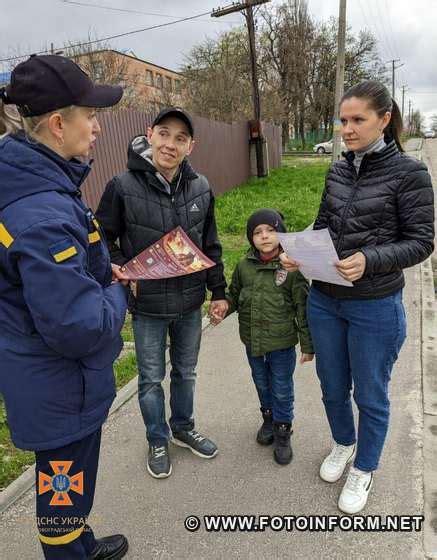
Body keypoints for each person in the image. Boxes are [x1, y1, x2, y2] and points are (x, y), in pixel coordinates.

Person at [280, 80, 435, 514]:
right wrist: (300, 251)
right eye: (342, 120)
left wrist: (370, 258)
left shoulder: (410, 173)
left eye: (357, 120)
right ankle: (343, 445)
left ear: (384, 120)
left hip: (374, 305)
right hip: (325, 299)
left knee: (370, 394)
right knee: (332, 388)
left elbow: (422, 242)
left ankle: (365, 468)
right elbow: (323, 223)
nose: (346, 129)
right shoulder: (339, 168)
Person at [0, 54, 130, 559]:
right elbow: (79, 326)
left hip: (51, 379)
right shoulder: (40, 212)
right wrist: (121, 290)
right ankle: (73, 551)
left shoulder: (35, 178)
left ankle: (83, 544)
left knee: (68, 495)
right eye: (90, 115)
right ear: (58, 124)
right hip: (59, 388)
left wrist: (98, 278)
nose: (97, 127)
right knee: (62, 499)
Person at [96, 107, 228, 479]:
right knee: (151, 379)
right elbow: (103, 238)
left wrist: (219, 291)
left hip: (190, 301)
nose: (171, 144)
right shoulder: (121, 186)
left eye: (180, 138)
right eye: (165, 134)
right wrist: (123, 266)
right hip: (149, 305)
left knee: (186, 372)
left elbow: (210, 245)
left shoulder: (201, 187)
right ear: (150, 134)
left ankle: (183, 428)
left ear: (191, 146)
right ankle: (158, 438)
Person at [221, 209, 314, 465]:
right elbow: (234, 295)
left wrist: (308, 345)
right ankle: (269, 419)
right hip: (253, 342)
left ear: (281, 234)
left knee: (281, 388)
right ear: (251, 239)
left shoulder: (292, 269)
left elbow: (302, 308)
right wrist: (224, 306)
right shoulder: (243, 266)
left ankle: (283, 430)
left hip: (281, 344)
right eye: (257, 232)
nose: (264, 236)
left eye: (271, 231)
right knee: (261, 383)